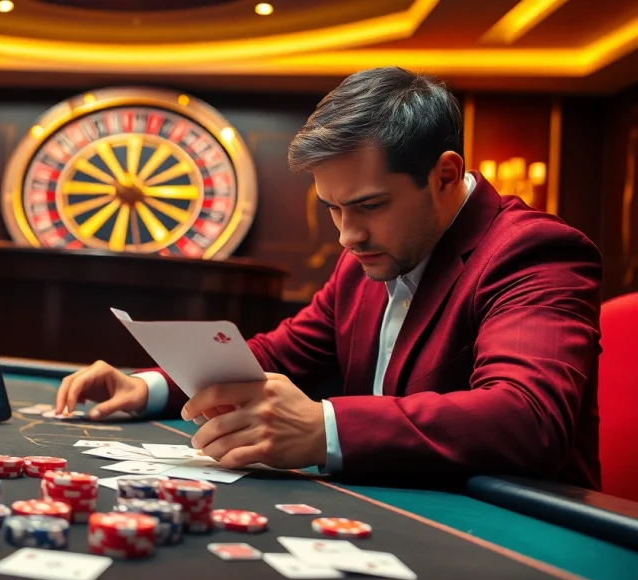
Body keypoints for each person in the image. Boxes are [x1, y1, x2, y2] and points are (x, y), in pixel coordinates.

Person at [54, 66, 602, 489]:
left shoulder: (534, 251)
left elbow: (527, 416)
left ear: (445, 174)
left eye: (368, 205)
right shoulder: (364, 256)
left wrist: (324, 429)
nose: (347, 236)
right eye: (333, 209)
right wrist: (148, 386)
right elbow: (282, 353)